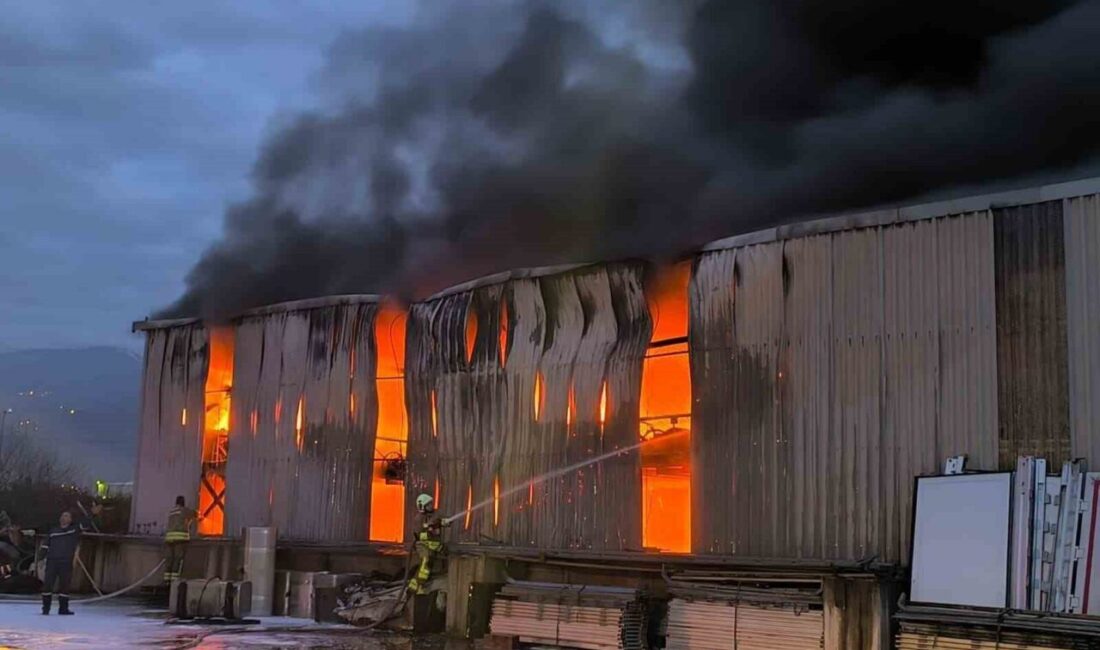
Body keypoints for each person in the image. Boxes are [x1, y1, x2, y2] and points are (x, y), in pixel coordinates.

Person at [40, 511, 87, 615]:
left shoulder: (74, 530)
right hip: (52, 561)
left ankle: (63, 609)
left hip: (66, 562)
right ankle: (46, 608)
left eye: (66, 516)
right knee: (47, 585)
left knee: (64, 586)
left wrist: (93, 514)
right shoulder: (53, 531)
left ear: (70, 520)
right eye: (62, 516)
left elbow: (85, 524)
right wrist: (40, 558)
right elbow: (45, 545)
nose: (63, 518)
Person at [406, 493, 450, 595]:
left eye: (431, 504)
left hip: (431, 546)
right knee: (425, 567)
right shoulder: (419, 519)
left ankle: (420, 586)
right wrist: (432, 528)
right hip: (423, 546)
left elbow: (438, 521)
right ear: (422, 506)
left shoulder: (434, 515)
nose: (431, 506)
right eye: (428, 504)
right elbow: (423, 536)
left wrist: (444, 522)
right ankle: (415, 588)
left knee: (428, 567)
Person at [163, 496, 198, 583]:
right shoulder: (184, 510)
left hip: (169, 539)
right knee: (177, 559)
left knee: (169, 559)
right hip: (179, 539)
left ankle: (167, 581)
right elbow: (195, 514)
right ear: (183, 502)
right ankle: (174, 582)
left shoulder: (172, 511)